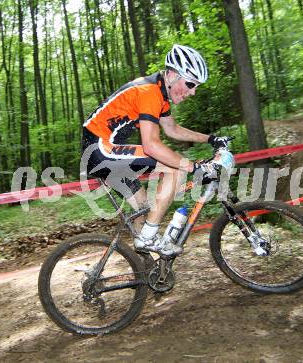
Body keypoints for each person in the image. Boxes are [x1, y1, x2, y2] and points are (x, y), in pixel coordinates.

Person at [81, 44, 230, 256]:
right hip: (100, 148)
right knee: (176, 169)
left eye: (196, 86)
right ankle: (149, 237)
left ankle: (145, 271)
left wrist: (211, 139)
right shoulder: (149, 91)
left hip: (104, 152)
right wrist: (194, 167)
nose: (193, 92)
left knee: (144, 210)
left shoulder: (159, 92)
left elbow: (172, 129)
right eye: (190, 83)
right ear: (171, 75)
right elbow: (151, 145)